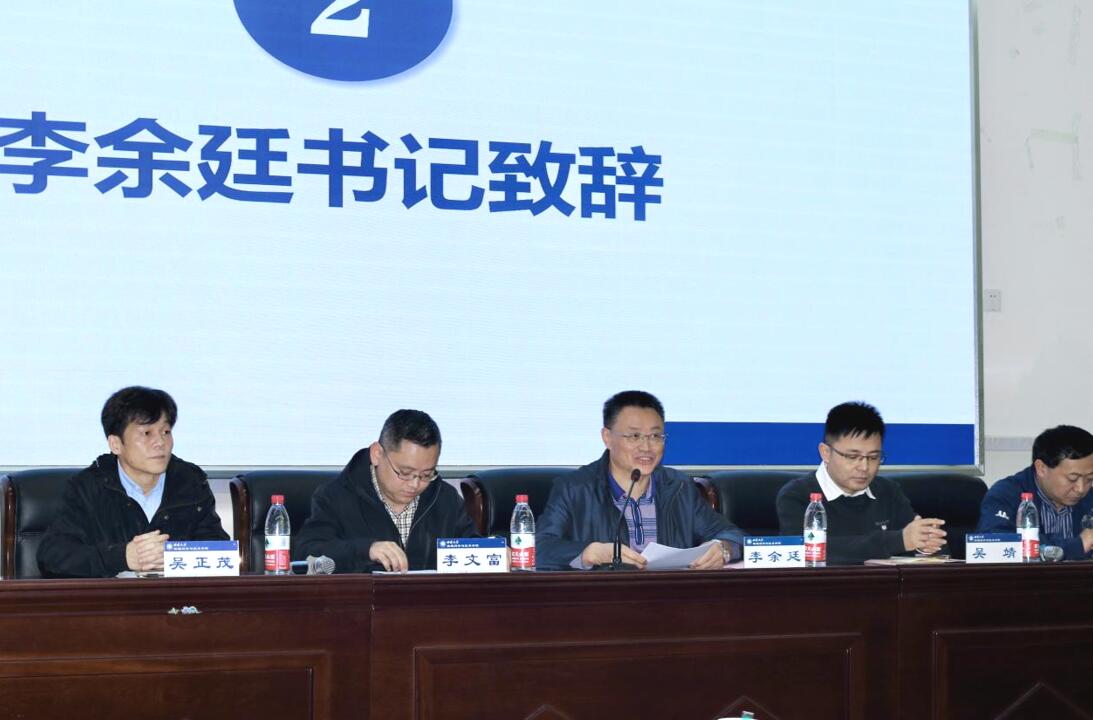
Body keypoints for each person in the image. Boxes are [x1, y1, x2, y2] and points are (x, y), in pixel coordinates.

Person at [535, 390, 744, 571]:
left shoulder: (679, 487)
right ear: (607, 437)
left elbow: (734, 535)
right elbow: (539, 547)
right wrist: (589, 552)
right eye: (634, 436)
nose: (646, 447)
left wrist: (723, 548)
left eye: (655, 436)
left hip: (672, 598)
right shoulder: (574, 488)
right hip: (601, 599)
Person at [37, 386, 228, 578]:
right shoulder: (88, 487)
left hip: (175, 595)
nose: (160, 442)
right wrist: (122, 557)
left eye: (166, 432)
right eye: (147, 433)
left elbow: (218, 551)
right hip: (112, 596)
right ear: (116, 444)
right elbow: (53, 556)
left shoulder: (189, 481)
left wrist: (175, 557)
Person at [295, 409, 478, 572]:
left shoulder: (445, 499)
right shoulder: (335, 497)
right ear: (377, 454)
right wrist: (366, 550)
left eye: (426, 474)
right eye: (405, 473)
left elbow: (476, 553)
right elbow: (305, 558)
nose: (415, 484)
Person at [776, 401, 946, 564]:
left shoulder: (888, 491)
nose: (864, 467)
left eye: (873, 457)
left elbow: (917, 543)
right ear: (826, 452)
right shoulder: (796, 495)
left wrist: (925, 545)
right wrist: (898, 541)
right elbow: (803, 551)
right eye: (852, 456)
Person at [977, 425, 1093, 560]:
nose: (1081, 488)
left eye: (1090, 478)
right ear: (1041, 468)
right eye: (1072, 478)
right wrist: (1077, 546)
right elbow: (992, 543)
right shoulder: (1006, 494)